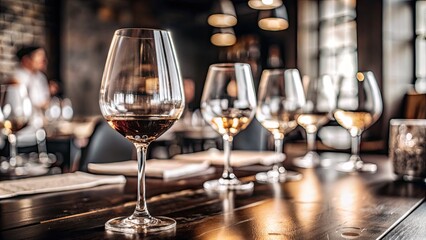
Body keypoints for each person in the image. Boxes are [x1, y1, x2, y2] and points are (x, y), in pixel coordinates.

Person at [13, 45, 51, 128]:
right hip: (23, 127)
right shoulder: (15, 79)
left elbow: (45, 102)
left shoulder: (41, 77)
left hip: (40, 124)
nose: (44, 61)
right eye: (39, 56)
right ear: (26, 60)